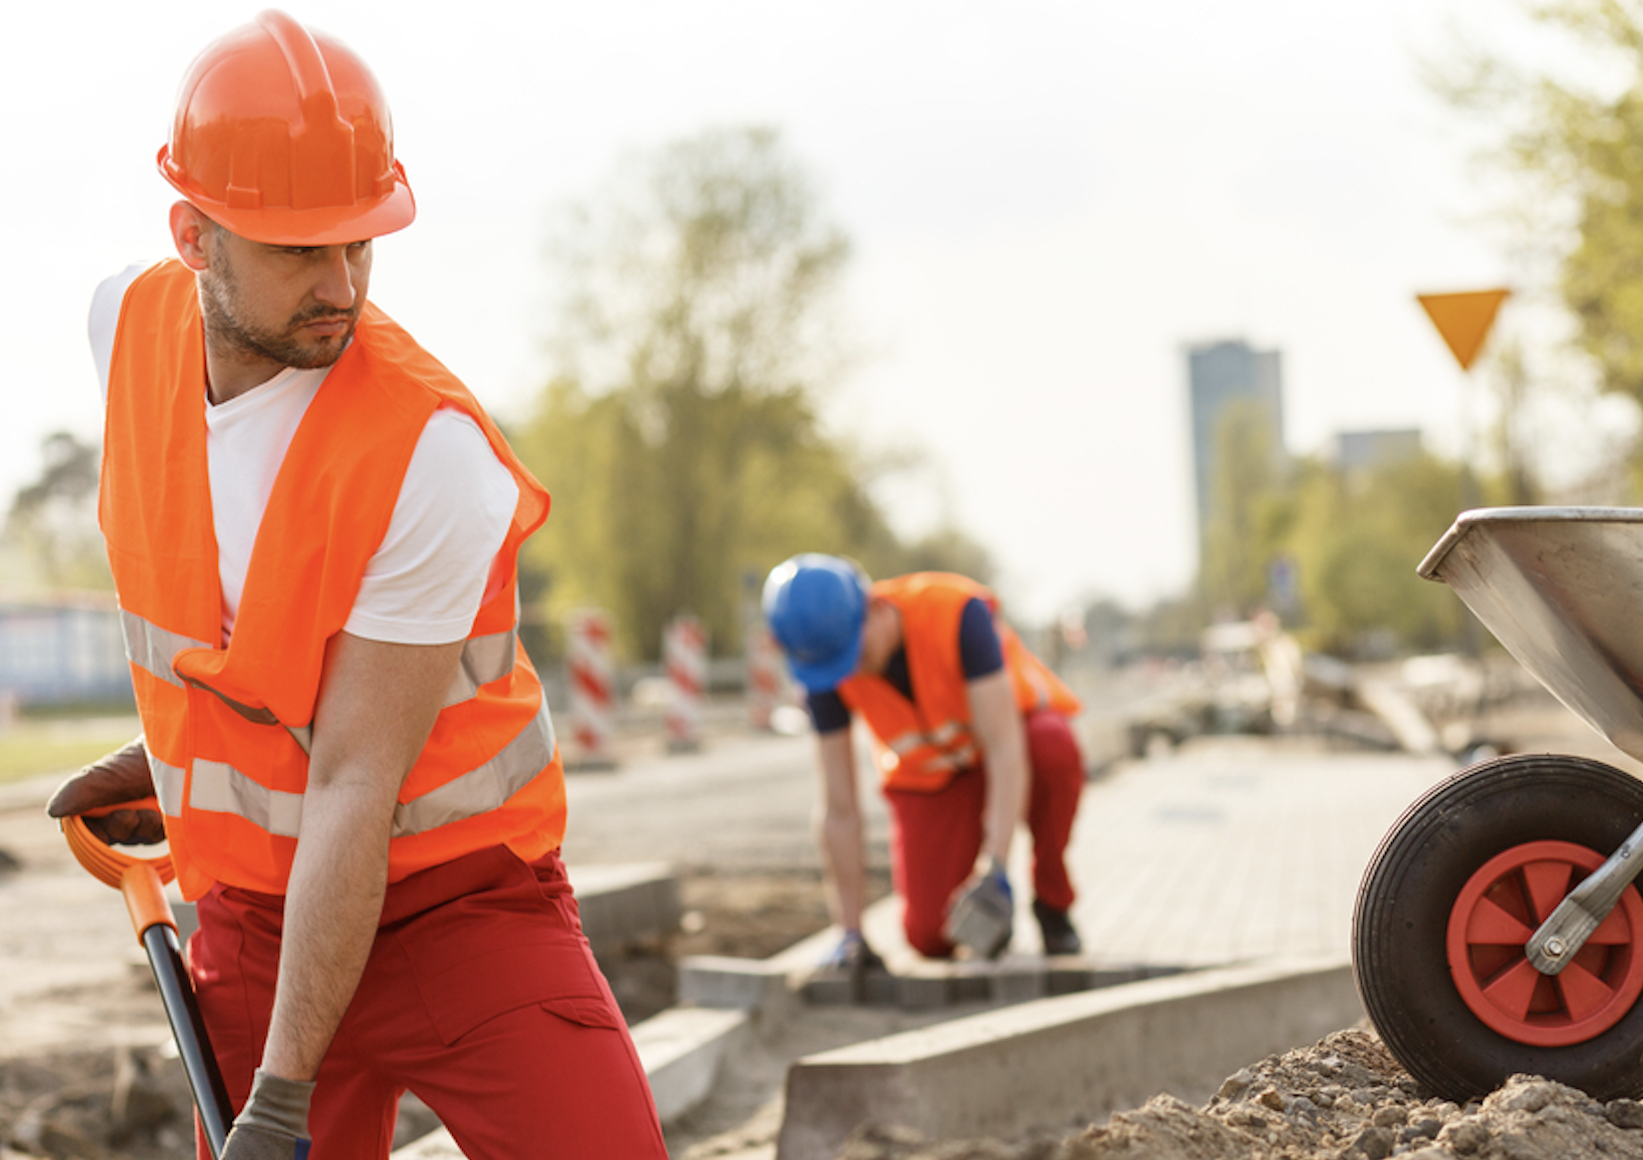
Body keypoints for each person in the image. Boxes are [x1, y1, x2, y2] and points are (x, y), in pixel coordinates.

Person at [46, 12, 667, 1159]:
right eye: (298, 250)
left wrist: (282, 1099)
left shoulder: (428, 450)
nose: (340, 284)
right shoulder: (121, 330)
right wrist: (176, 766)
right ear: (194, 234)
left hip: (463, 915)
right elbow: (240, 634)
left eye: (361, 244)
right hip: (254, 915)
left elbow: (353, 780)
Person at [761, 554, 1087, 965]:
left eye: (854, 656)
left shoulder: (954, 614)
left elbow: (1006, 748)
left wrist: (996, 869)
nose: (849, 672)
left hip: (1010, 752)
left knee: (1053, 746)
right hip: (935, 779)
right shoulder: (826, 669)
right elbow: (839, 809)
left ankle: (1053, 904)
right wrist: (851, 933)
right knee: (929, 935)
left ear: (875, 608)